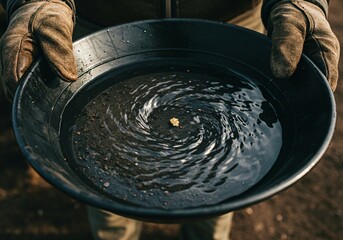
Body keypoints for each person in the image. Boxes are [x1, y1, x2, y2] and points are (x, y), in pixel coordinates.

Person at [0, 0, 339, 239]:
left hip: (229, 34)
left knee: (224, 176)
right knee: (104, 173)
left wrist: (303, 2)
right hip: (105, 41)